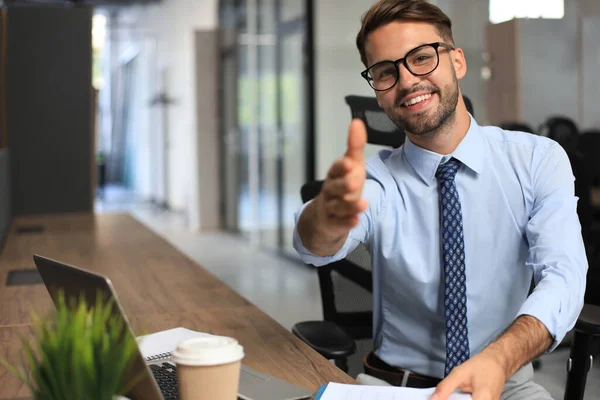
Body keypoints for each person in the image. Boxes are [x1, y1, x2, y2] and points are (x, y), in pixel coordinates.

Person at [293, 1, 588, 399]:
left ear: (457, 62)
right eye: (385, 71)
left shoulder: (537, 159)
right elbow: (314, 247)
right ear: (377, 91)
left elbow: (564, 276)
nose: (407, 80)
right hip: (394, 386)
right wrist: (325, 220)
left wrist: (499, 360)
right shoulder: (375, 180)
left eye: (421, 57)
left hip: (506, 380)